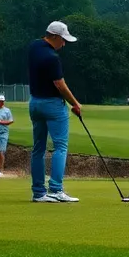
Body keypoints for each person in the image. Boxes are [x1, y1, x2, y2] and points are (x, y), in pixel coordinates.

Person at [28, 20, 82, 203]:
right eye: (63, 39)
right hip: (52, 105)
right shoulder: (53, 57)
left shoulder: (34, 47)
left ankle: (38, 193)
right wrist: (75, 104)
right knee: (60, 147)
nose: (64, 44)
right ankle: (56, 189)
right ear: (55, 37)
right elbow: (60, 84)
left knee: (38, 148)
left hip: (34, 103)